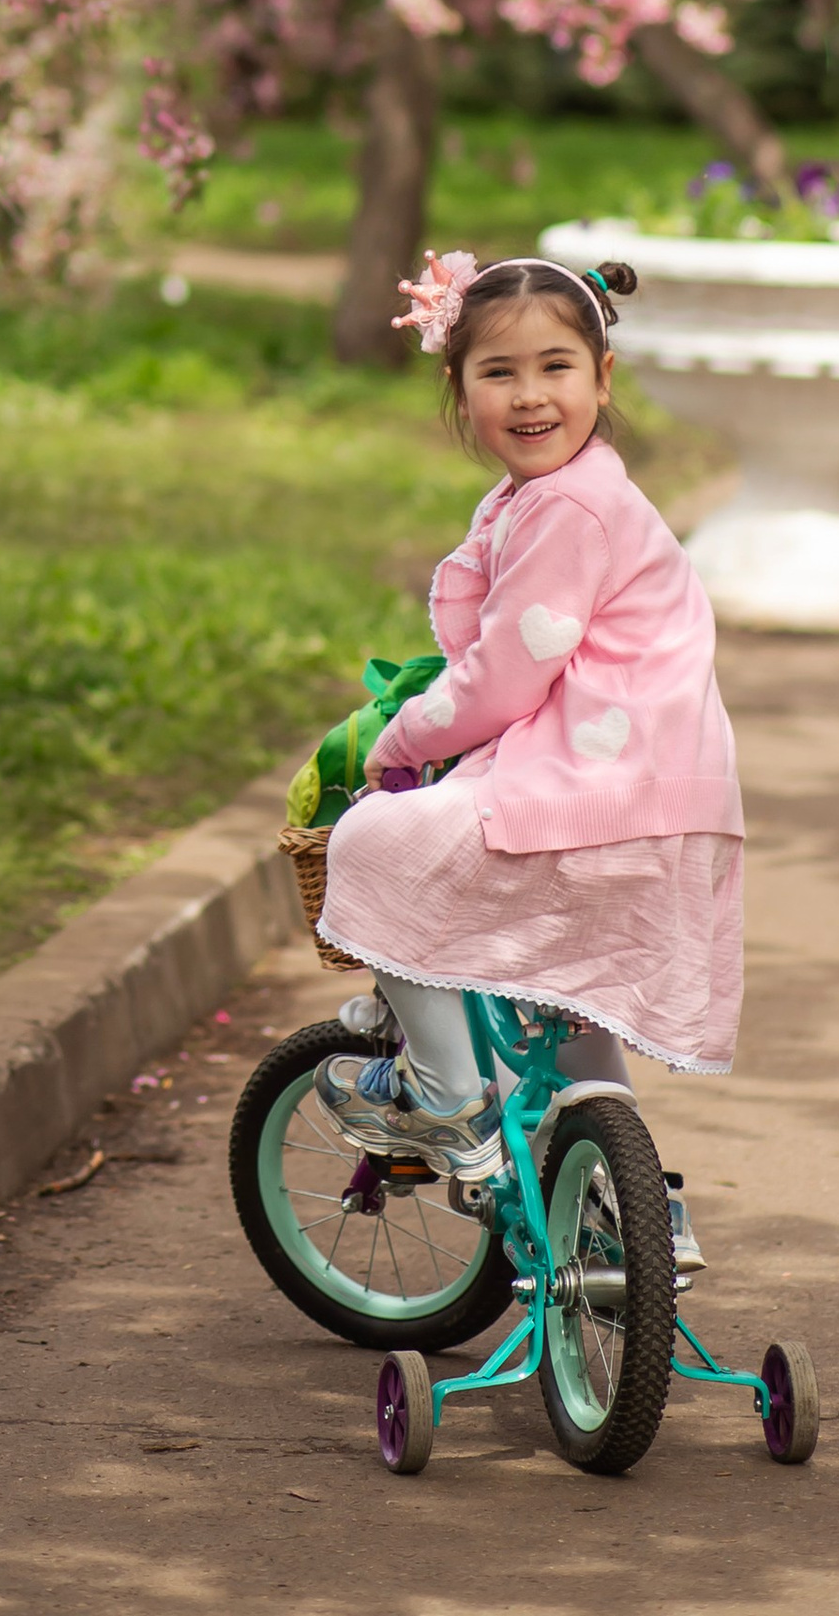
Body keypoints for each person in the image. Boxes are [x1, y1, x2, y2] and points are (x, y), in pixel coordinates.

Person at [312, 250, 744, 1175]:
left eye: (556, 366)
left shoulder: (566, 509)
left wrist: (397, 742)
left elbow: (505, 679)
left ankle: (447, 1102)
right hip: (653, 791)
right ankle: (636, 1217)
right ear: (459, 387)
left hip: (594, 789)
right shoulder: (566, 494)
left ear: (602, 375)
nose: (529, 393)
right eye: (498, 371)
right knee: (570, 1011)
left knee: (373, 846)